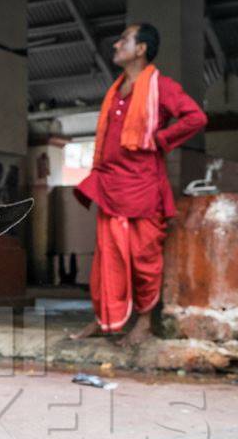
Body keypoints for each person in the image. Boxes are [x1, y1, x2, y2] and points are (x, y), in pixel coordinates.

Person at [70, 22, 207, 346]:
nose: (117, 45)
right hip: (110, 184)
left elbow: (195, 118)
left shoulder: (162, 86)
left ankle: (144, 322)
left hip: (143, 187)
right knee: (107, 261)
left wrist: (161, 139)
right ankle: (105, 320)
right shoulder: (116, 89)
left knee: (144, 258)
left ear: (141, 49)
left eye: (124, 40)